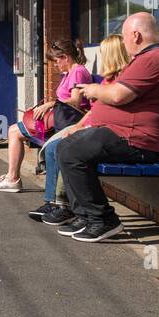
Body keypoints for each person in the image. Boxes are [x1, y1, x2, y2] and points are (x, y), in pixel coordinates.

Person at [48, 12, 159, 242]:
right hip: (122, 134)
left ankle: (103, 219)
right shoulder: (145, 58)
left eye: (124, 38)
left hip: (136, 140)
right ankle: (85, 215)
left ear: (136, 35)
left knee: (73, 151)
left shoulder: (153, 59)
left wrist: (93, 90)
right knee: (65, 147)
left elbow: (117, 95)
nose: (124, 44)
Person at [28, 33, 130, 223]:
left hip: (112, 133)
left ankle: (66, 206)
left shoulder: (114, 80)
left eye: (104, 54)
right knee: (57, 147)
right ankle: (62, 205)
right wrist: (77, 126)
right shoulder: (108, 80)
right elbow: (96, 110)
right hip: (87, 124)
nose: (55, 64)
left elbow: (80, 103)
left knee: (63, 149)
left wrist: (57, 108)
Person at [0, 38, 92, 192]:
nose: (55, 65)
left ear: (66, 57)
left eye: (57, 60)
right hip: (60, 120)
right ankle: (12, 176)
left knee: (13, 131)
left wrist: (50, 104)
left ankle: (12, 178)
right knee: (15, 130)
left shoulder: (77, 72)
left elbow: (76, 101)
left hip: (67, 123)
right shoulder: (70, 73)